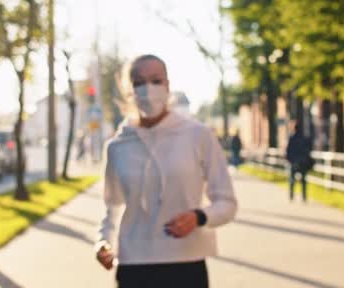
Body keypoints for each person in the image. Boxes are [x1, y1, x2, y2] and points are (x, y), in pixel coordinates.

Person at [95, 54, 238, 288]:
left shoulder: (198, 135)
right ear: (128, 90)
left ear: (168, 86)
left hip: (186, 263)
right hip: (134, 265)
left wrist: (199, 217)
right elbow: (112, 205)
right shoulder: (116, 146)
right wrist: (103, 241)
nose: (147, 89)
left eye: (155, 80)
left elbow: (227, 203)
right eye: (138, 82)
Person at [286, 121, 313, 202]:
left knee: (292, 180)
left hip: (294, 162)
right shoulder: (304, 138)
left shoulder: (292, 138)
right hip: (303, 162)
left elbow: (288, 151)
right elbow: (309, 149)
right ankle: (304, 196)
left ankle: (291, 196)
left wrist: (290, 160)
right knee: (303, 180)